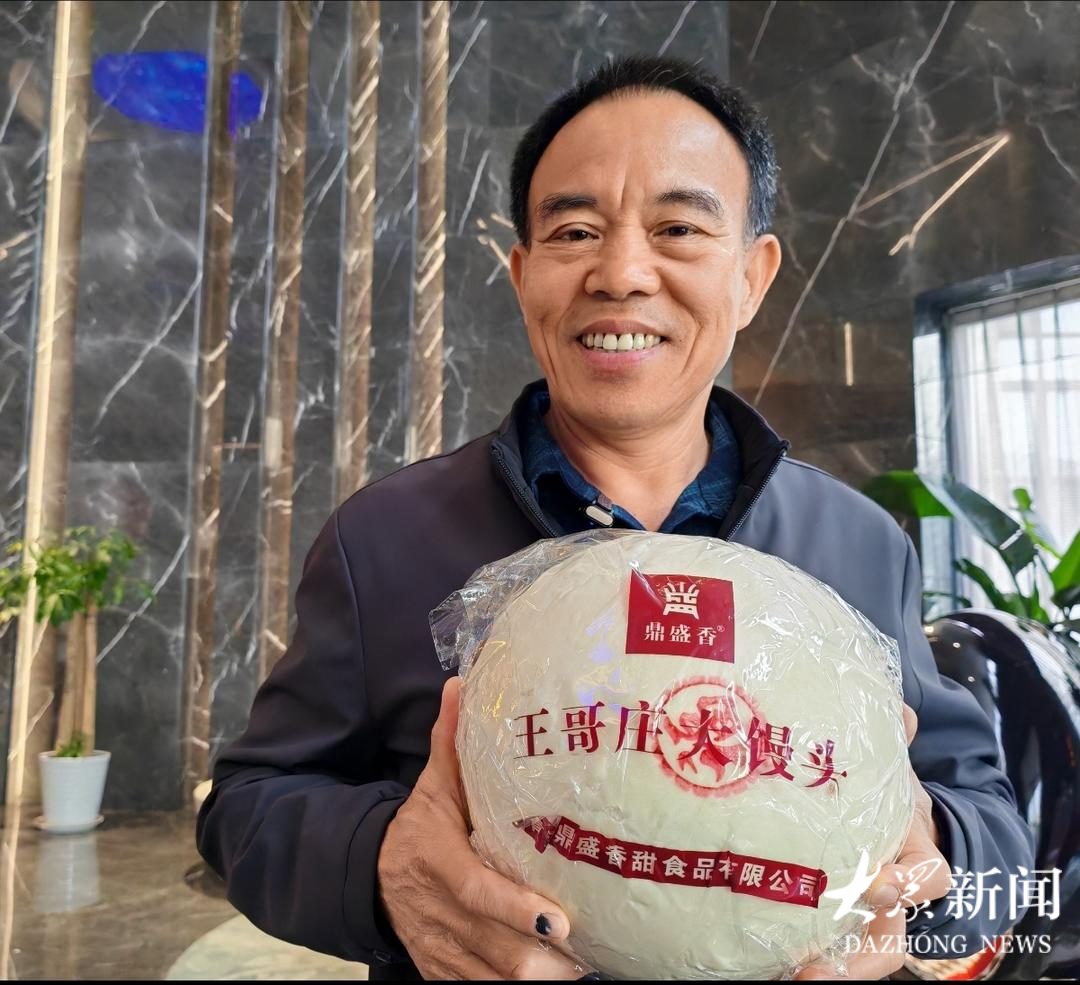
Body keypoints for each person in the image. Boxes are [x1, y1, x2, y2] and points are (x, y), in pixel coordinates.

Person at [196, 54, 1036, 981]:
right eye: (575, 231)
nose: (623, 273)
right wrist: (382, 866)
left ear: (752, 276)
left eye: (678, 228)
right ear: (524, 274)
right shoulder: (384, 538)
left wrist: (929, 853)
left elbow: (987, 813)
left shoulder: (857, 543)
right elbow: (248, 805)